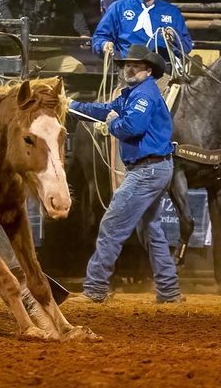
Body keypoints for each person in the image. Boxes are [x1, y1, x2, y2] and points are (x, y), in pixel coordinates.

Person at [69, 45, 181, 303]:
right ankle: (169, 291)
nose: (128, 68)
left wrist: (111, 123)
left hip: (147, 170)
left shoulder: (142, 95)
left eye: (135, 65)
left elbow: (131, 127)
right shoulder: (136, 93)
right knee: (151, 231)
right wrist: (72, 105)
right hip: (155, 168)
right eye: (126, 64)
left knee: (112, 224)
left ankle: (96, 288)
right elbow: (105, 109)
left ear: (147, 70)